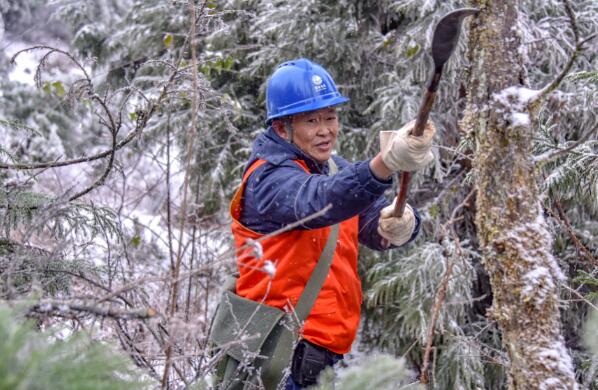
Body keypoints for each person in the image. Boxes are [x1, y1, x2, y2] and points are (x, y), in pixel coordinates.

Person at [230, 58, 435, 389]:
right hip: (277, 358)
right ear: (282, 127)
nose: (325, 130)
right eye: (311, 120)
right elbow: (319, 201)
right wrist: (384, 163)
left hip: (324, 355)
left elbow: (367, 217)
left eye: (330, 117)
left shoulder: (333, 169)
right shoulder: (267, 178)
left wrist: (399, 225)